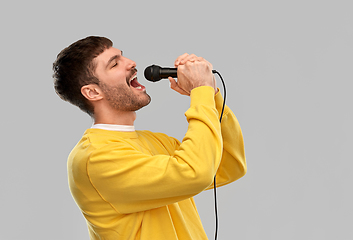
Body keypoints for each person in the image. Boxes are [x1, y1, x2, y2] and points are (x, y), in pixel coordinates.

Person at [53, 36, 247, 240]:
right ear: (92, 92)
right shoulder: (94, 158)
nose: (131, 63)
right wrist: (200, 92)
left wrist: (212, 95)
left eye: (123, 56)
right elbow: (194, 173)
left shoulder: (157, 141)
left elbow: (229, 165)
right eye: (115, 64)